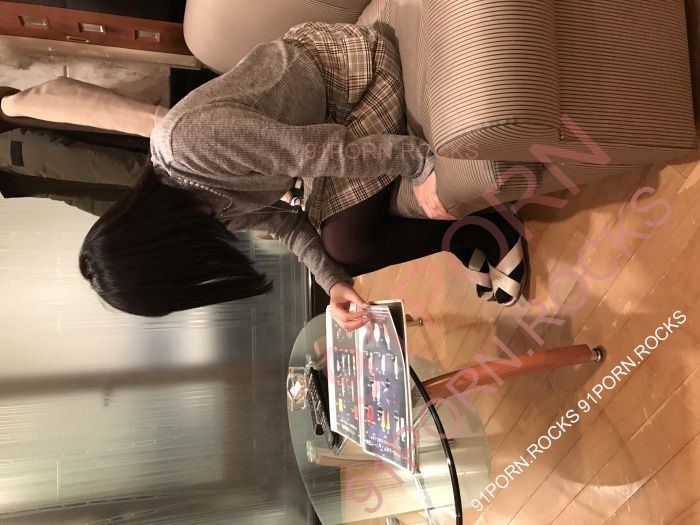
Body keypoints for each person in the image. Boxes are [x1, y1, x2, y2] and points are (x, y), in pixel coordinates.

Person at [79, 22, 526, 330]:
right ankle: (464, 239)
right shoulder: (198, 209)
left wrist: (418, 162)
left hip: (353, 76)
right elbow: (287, 225)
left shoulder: (189, 148)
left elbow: (317, 152)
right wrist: (332, 283)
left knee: (347, 244)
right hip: (324, 121)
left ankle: (488, 228)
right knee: (340, 254)